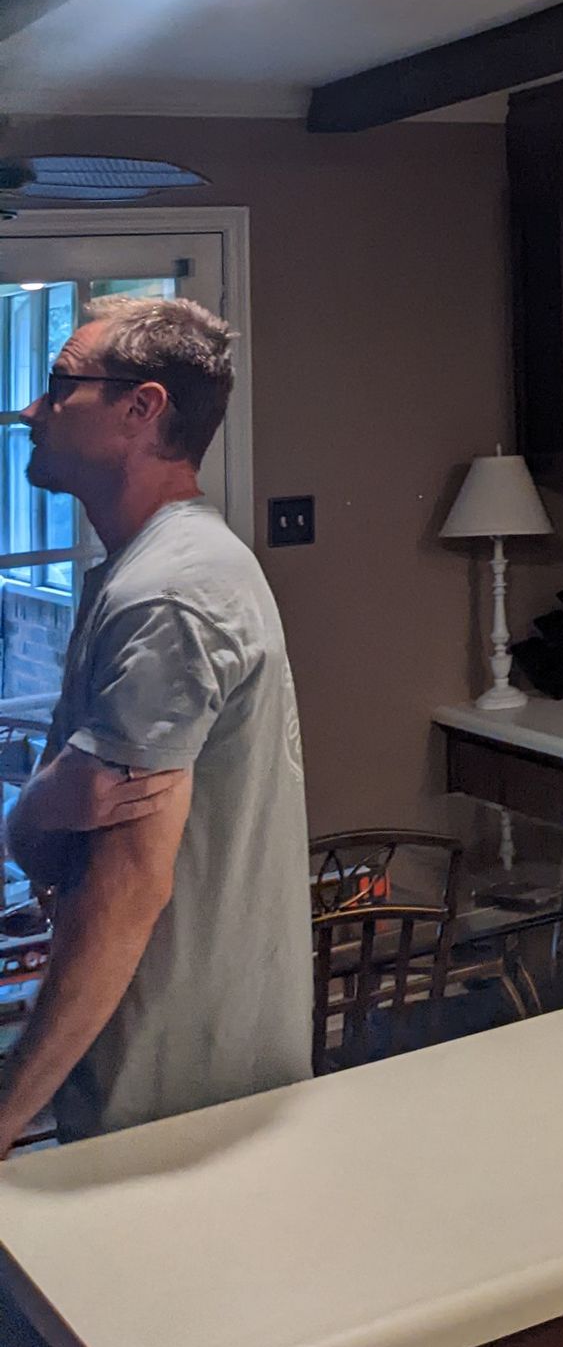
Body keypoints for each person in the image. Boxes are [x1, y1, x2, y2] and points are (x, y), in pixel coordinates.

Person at [0, 297, 311, 1149]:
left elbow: (128, 887)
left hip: (177, 1086)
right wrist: (42, 809)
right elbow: (84, 802)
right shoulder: (146, 572)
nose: (33, 409)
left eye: (61, 386)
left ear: (142, 408)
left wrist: (6, 1108)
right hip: (163, 1068)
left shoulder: (173, 593)